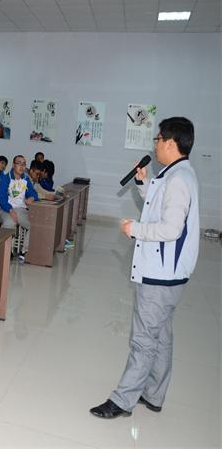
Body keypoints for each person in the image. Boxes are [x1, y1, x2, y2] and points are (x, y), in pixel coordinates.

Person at [90, 117, 200, 419]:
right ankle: (153, 393)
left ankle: (122, 400)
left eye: (158, 139)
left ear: (171, 143)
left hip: (160, 273)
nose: (155, 145)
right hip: (169, 274)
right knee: (160, 336)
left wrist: (134, 229)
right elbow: (159, 206)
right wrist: (142, 183)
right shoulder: (177, 174)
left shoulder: (178, 179)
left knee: (143, 340)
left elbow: (170, 229)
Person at [0, 155, 39, 262]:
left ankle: (24, 251)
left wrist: (32, 198)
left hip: (20, 210)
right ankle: (6, 252)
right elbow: (2, 200)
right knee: (10, 222)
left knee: (34, 224)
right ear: (13, 165)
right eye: (19, 163)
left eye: (24, 164)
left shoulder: (26, 179)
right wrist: (10, 210)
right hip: (4, 209)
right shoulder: (6, 178)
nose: (22, 166)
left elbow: (34, 193)